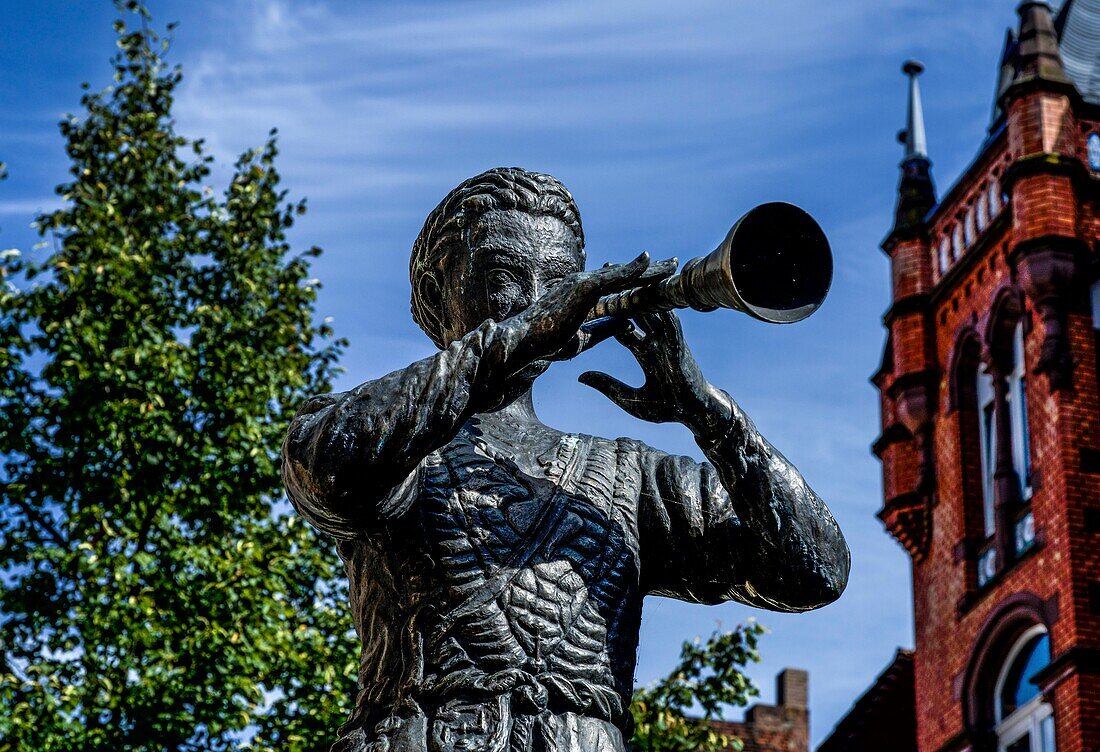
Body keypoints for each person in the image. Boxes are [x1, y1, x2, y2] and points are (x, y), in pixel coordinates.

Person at [282, 167, 849, 752]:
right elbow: (326, 466)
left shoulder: (628, 477)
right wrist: (514, 337)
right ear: (436, 293)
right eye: (505, 278)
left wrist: (705, 411)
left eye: (558, 284)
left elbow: (814, 571)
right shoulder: (401, 448)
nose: (540, 303)